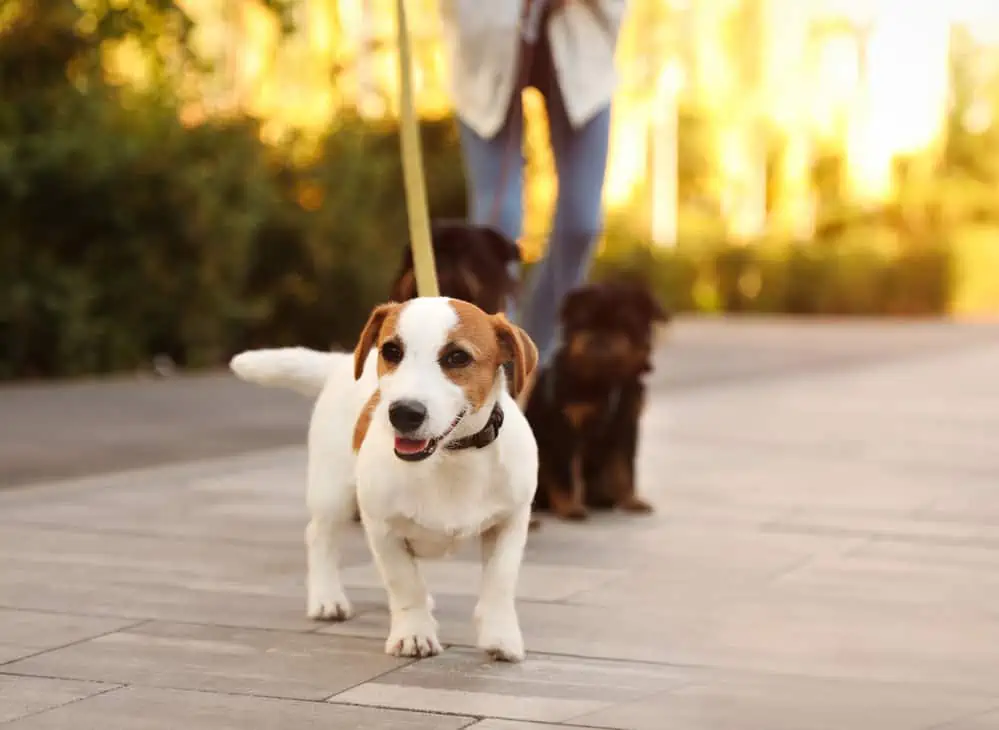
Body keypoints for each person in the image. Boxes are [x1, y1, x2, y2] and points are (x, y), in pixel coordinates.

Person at [438, 0, 627, 385]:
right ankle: (487, 356)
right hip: (486, 41)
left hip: (584, 39)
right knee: (498, 223)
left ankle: (535, 352)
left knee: (582, 222)